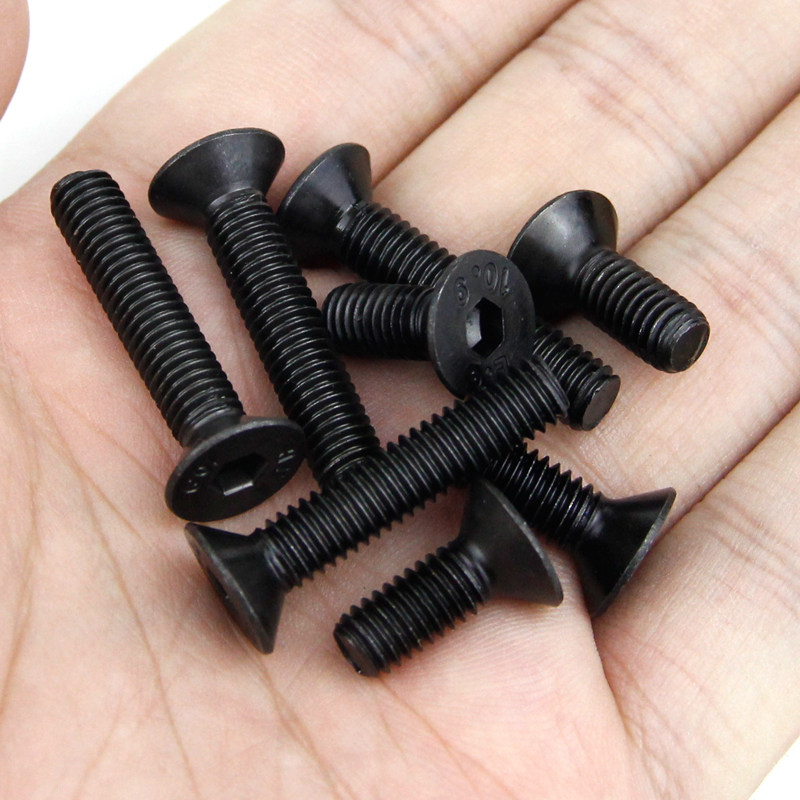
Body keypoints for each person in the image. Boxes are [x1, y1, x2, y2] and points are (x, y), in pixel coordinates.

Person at [0, 0, 798, 796]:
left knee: (412, 441)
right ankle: (282, 550)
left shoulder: (504, 373)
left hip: (439, 411)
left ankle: (307, 545)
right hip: (388, 423)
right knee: (375, 434)